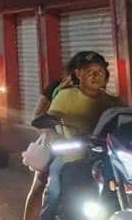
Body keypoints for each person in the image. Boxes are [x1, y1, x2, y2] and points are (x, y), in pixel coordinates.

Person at [40, 52, 120, 220]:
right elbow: (47, 120)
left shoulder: (113, 102)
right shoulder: (66, 96)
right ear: (78, 74)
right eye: (89, 71)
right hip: (73, 158)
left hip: (108, 160)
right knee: (55, 194)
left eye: (100, 71)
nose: (95, 75)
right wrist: (54, 133)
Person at [22, 52, 87, 220]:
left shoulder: (96, 92)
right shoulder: (56, 87)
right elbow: (37, 116)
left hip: (86, 147)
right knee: (40, 185)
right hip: (58, 145)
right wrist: (52, 134)